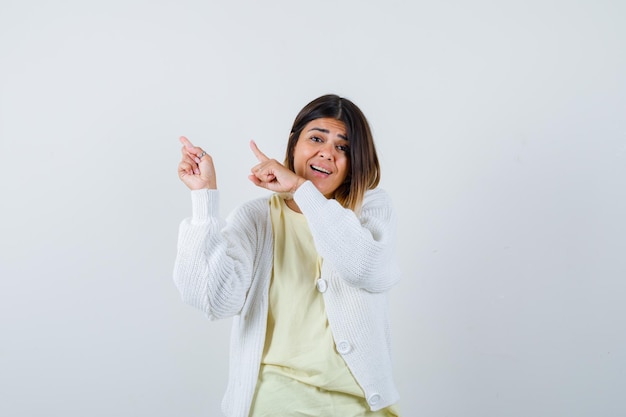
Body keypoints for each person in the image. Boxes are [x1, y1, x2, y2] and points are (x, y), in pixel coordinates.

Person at [174, 94, 401, 417]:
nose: (327, 152)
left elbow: (365, 268)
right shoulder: (256, 218)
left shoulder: (371, 208)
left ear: (355, 162)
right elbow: (213, 299)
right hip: (277, 402)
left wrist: (300, 189)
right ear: (294, 145)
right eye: (317, 138)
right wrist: (203, 199)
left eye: (343, 147)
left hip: (366, 403)